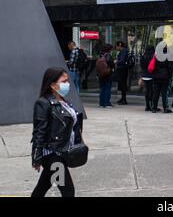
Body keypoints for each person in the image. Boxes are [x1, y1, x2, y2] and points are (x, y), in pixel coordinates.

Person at [31, 67, 84, 197]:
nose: (67, 85)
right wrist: (37, 158)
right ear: (53, 84)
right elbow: (39, 132)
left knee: (42, 188)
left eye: (67, 81)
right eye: (64, 81)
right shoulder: (43, 103)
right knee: (68, 191)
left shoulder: (65, 102)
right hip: (52, 155)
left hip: (63, 153)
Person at [152, 46, 173, 113]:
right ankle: (165, 108)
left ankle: (154, 108)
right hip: (165, 77)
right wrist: (170, 76)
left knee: (156, 93)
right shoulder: (168, 57)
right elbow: (170, 68)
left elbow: (153, 66)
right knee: (164, 93)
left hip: (157, 77)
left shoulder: (157, 56)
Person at [97, 44, 115, 108]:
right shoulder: (108, 56)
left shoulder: (100, 55)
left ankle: (101, 103)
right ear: (110, 49)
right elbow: (111, 64)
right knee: (107, 89)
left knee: (102, 89)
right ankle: (107, 103)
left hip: (101, 75)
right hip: (108, 74)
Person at [140, 45, 155, 112]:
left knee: (146, 91)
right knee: (151, 91)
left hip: (144, 75)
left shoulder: (143, 56)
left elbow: (142, 66)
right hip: (151, 75)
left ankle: (147, 106)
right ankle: (152, 105)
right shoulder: (153, 56)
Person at [115, 41, 129, 105]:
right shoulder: (123, 51)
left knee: (123, 84)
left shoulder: (124, 51)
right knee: (121, 84)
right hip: (122, 69)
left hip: (122, 70)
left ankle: (124, 99)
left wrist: (116, 62)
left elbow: (122, 61)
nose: (116, 47)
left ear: (120, 45)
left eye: (117, 46)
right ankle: (123, 98)